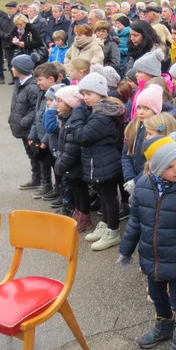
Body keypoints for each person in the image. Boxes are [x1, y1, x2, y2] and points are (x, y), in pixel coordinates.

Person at [117, 136, 176, 350]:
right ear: (154, 168)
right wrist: (126, 250)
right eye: (169, 166)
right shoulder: (143, 187)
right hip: (152, 257)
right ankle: (165, 325)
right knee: (156, 294)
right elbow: (135, 222)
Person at [71, 73, 126, 244]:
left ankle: (113, 231)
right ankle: (105, 224)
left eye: (89, 94)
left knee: (109, 196)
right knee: (103, 195)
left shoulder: (101, 115)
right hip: (100, 159)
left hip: (105, 161)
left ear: (101, 93)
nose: (85, 98)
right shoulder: (97, 111)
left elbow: (82, 135)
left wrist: (78, 113)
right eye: (83, 94)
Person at [9, 54, 42, 190]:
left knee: (36, 154)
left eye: (14, 66)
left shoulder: (32, 87)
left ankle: (39, 179)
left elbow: (35, 109)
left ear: (20, 69)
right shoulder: (20, 84)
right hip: (23, 129)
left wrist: (23, 121)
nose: (11, 69)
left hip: (29, 129)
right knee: (31, 153)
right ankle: (36, 177)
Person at [28, 63, 60, 201]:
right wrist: (32, 135)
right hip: (41, 136)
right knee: (44, 162)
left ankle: (59, 190)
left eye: (40, 79)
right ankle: (47, 185)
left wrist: (45, 141)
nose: (37, 82)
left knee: (57, 167)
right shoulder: (42, 93)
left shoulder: (57, 95)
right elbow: (38, 115)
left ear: (51, 79)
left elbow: (54, 121)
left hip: (50, 139)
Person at [53, 86, 84, 218]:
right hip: (66, 163)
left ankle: (80, 213)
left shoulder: (72, 122)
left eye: (59, 101)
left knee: (79, 191)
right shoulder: (65, 118)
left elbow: (72, 147)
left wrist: (61, 164)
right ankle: (73, 209)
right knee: (72, 188)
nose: (55, 104)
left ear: (70, 103)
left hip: (73, 165)